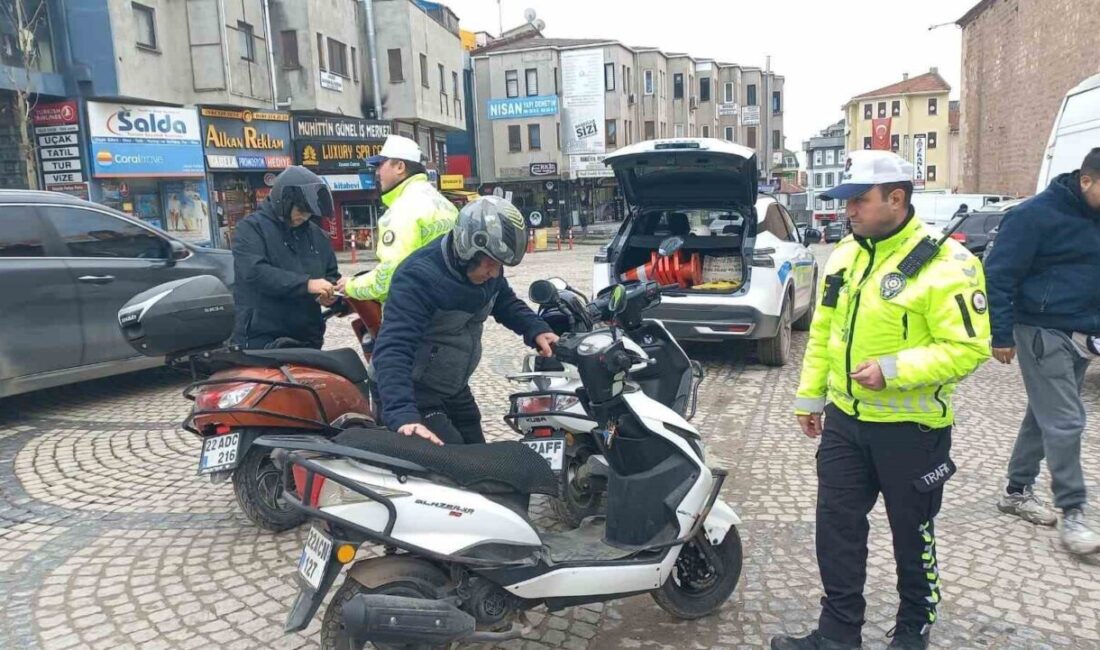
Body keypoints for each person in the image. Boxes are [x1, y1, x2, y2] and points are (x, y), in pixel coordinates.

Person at [774, 150, 991, 650]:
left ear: (897, 198)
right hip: (846, 424)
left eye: (859, 201)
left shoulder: (947, 263)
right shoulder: (847, 254)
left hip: (912, 430)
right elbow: (826, 331)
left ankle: (913, 627)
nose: (848, 211)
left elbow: (968, 347)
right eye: (846, 201)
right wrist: (810, 399)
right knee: (837, 530)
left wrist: (893, 371)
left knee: (911, 535)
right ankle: (838, 633)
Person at [984, 147, 1100, 557]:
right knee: (1067, 420)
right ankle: (1073, 512)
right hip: (1039, 329)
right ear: (1086, 180)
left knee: (1044, 416)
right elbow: (998, 275)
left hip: (1082, 334)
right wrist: (1000, 335)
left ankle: (1016, 491)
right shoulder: (1034, 215)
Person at [370, 196, 558, 445]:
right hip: (415, 392)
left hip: (453, 386)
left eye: (500, 266)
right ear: (466, 250)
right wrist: (403, 415)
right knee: (457, 468)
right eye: (491, 264)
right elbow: (393, 348)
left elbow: (504, 301)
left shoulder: (489, 271)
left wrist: (535, 328)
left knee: (482, 459)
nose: (494, 273)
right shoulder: (418, 277)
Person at [230, 166, 340, 350]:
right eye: (300, 210)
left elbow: (330, 274)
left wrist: (330, 295)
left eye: (309, 212)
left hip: (306, 338)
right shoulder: (250, 229)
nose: (304, 216)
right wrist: (306, 285)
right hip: (262, 338)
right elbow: (255, 272)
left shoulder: (317, 236)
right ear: (284, 201)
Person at [339, 135, 457, 303]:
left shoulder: (403, 209)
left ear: (400, 166)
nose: (377, 172)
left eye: (381, 164)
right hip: (450, 308)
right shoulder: (444, 204)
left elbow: (388, 279)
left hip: (416, 314)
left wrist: (350, 286)